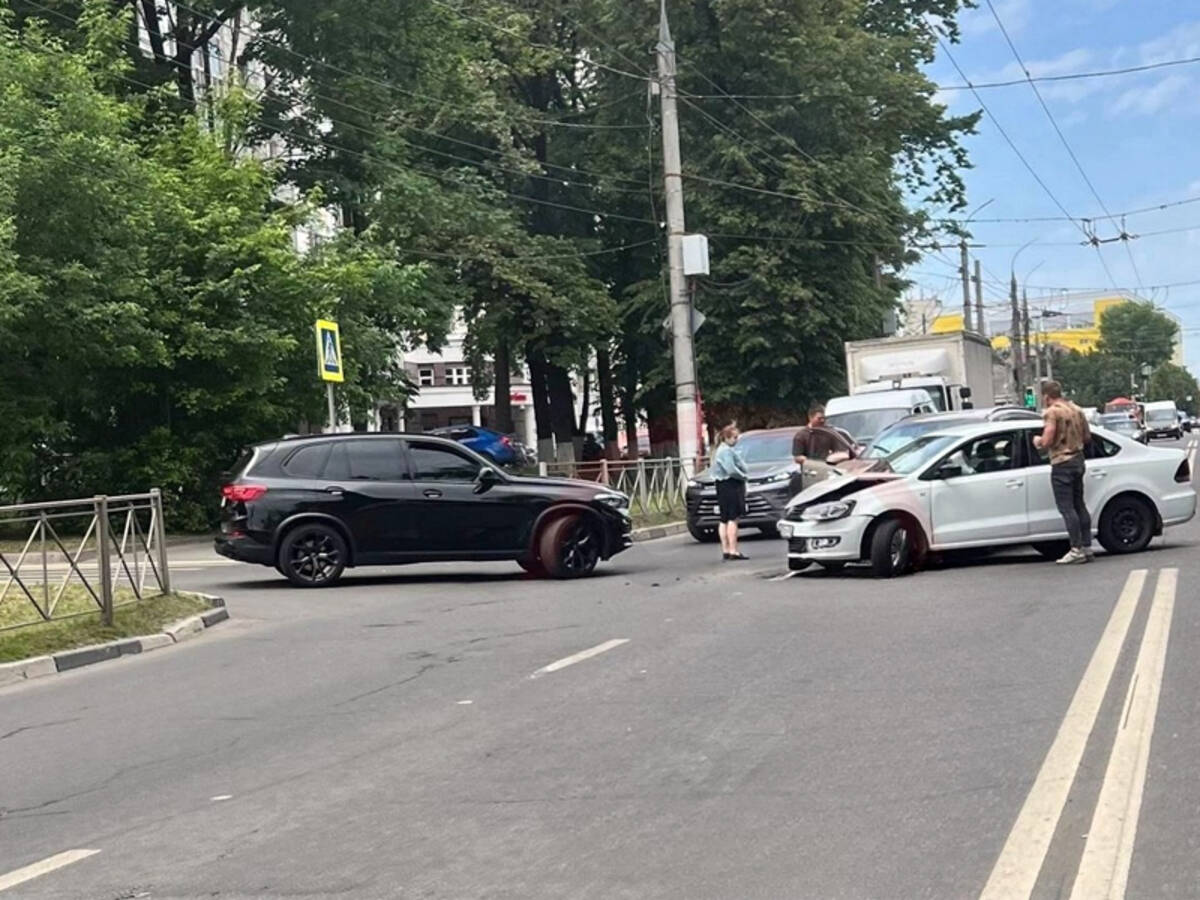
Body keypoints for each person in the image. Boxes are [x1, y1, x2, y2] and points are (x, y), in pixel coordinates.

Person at [1034, 381, 1093, 565]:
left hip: (1062, 462)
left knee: (1066, 508)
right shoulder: (1076, 409)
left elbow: (1048, 438)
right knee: (1079, 505)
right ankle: (1087, 546)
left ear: (1046, 396)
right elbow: (1087, 436)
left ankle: (1075, 549)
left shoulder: (1053, 412)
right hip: (1078, 459)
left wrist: (1038, 441)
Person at [711, 423, 750, 561]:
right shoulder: (726, 451)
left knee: (724, 518)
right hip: (730, 484)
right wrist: (743, 476)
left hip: (721, 485)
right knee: (733, 518)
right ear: (727, 437)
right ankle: (733, 550)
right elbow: (731, 470)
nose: (736, 439)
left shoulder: (719, 450)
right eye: (734, 437)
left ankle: (725, 550)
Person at [790, 404, 847, 496]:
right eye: (819, 418)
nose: (822, 421)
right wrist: (815, 464)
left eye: (824, 418)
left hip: (829, 471)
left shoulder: (829, 433)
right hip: (809, 473)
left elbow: (839, 451)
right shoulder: (801, 435)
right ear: (810, 417)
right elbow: (797, 457)